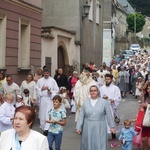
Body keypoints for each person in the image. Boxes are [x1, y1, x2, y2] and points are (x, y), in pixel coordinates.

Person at [76, 85, 116, 150]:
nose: (93, 92)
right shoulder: (85, 103)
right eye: (91, 91)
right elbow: (81, 115)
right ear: (89, 92)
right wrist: (78, 127)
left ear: (98, 92)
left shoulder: (104, 102)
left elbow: (109, 115)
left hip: (100, 126)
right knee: (87, 143)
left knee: (99, 143)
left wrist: (112, 127)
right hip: (87, 126)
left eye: (95, 90)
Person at [36, 68, 59, 135]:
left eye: (47, 73)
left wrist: (51, 92)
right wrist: (41, 89)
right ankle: (43, 127)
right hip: (43, 99)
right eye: (45, 73)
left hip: (49, 99)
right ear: (43, 73)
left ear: (49, 73)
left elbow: (56, 89)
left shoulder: (52, 81)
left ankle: (47, 128)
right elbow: (37, 89)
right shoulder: (40, 81)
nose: (46, 74)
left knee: (48, 113)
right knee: (42, 113)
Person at [99, 73, 121, 140]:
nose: (107, 80)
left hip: (111, 107)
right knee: (103, 121)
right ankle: (103, 134)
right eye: (106, 79)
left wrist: (113, 100)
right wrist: (102, 98)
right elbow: (99, 97)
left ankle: (113, 134)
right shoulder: (101, 88)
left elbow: (118, 97)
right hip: (103, 107)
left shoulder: (115, 88)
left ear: (111, 80)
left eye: (108, 79)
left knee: (112, 121)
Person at [140, 82, 150, 150]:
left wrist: (147, 105)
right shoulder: (146, 97)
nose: (149, 90)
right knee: (143, 139)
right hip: (145, 119)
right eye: (148, 89)